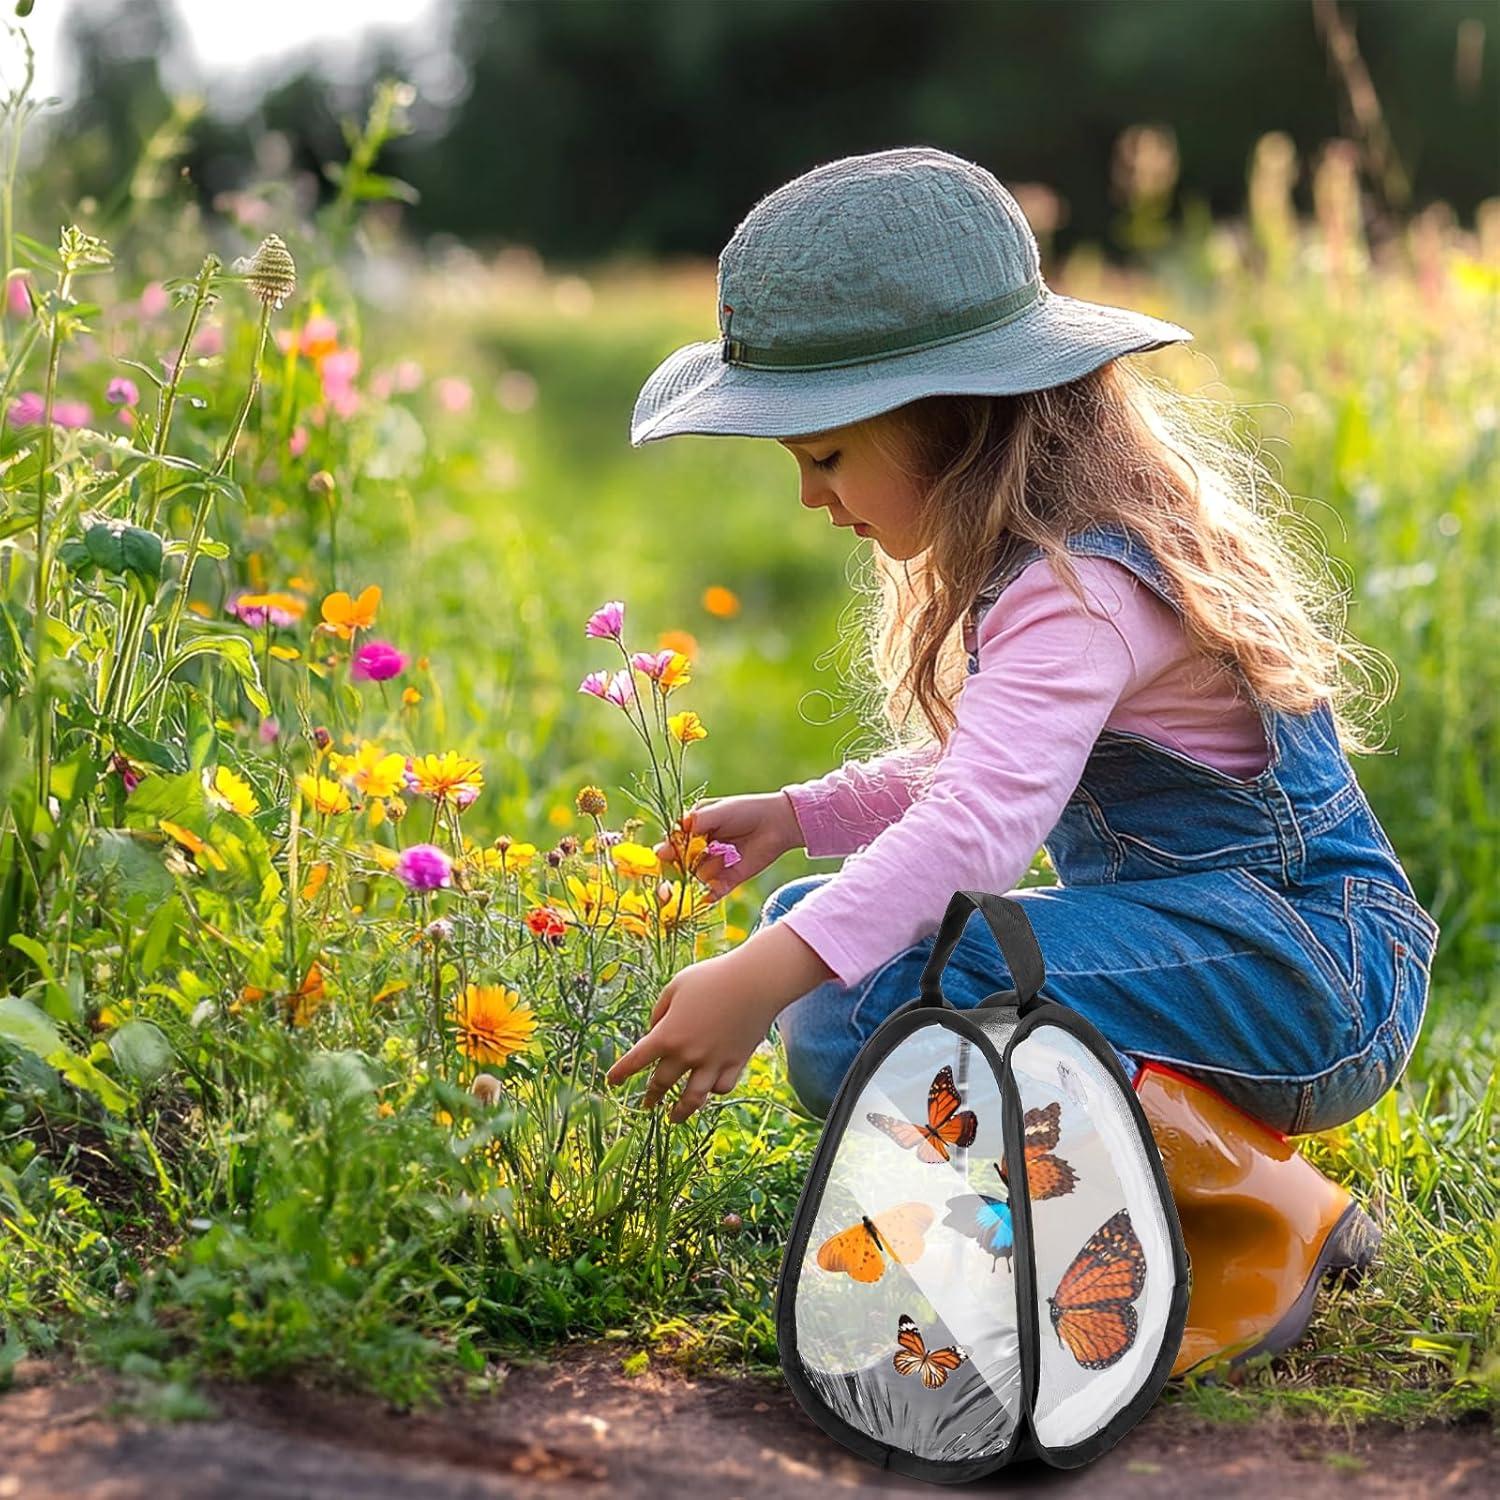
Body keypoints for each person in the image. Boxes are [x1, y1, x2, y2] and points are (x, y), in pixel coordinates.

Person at [605, 146, 1439, 1375]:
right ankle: (1173, 1188)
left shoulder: (1079, 583)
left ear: (955, 424)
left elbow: (983, 824)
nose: (810, 499)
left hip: (1310, 973)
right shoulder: (1066, 556)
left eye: (826, 456)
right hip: (1247, 946)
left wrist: (762, 971)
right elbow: (986, 768)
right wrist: (800, 815)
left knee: (865, 998)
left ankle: (1245, 1216)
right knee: (841, 957)